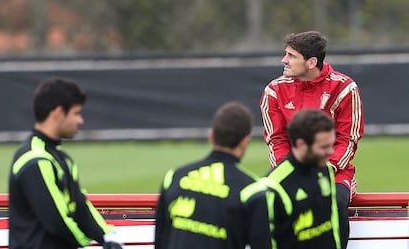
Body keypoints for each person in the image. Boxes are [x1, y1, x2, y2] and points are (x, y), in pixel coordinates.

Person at [259, 31, 364, 249]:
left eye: (290, 56)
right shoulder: (274, 90)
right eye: (285, 54)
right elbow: (276, 140)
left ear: (311, 62)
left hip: (333, 172)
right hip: (289, 170)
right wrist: (292, 169)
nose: (284, 60)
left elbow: (348, 139)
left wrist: (324, 169)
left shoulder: (345, 88)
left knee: (335, 203)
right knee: (266, 205)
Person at [8, 78, 123, 249]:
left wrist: (107, 237)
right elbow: (56, 222)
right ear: (58, 113)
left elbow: (80, 207)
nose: (80, 121)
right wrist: (85, 242)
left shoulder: (62, 159)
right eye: (76, 113)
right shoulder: (35, 160)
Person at [154, 101, 272, 249]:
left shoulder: (175, 177)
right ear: (244, 142)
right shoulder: (253, 190)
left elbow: (160, 241)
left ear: (211, 136)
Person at [263, 108, 341, 249]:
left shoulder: (326, 170)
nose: (331, 152)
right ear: (301, 144)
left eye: (332, 145)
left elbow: (332, 224)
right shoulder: (273, 185)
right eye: (324, 147)